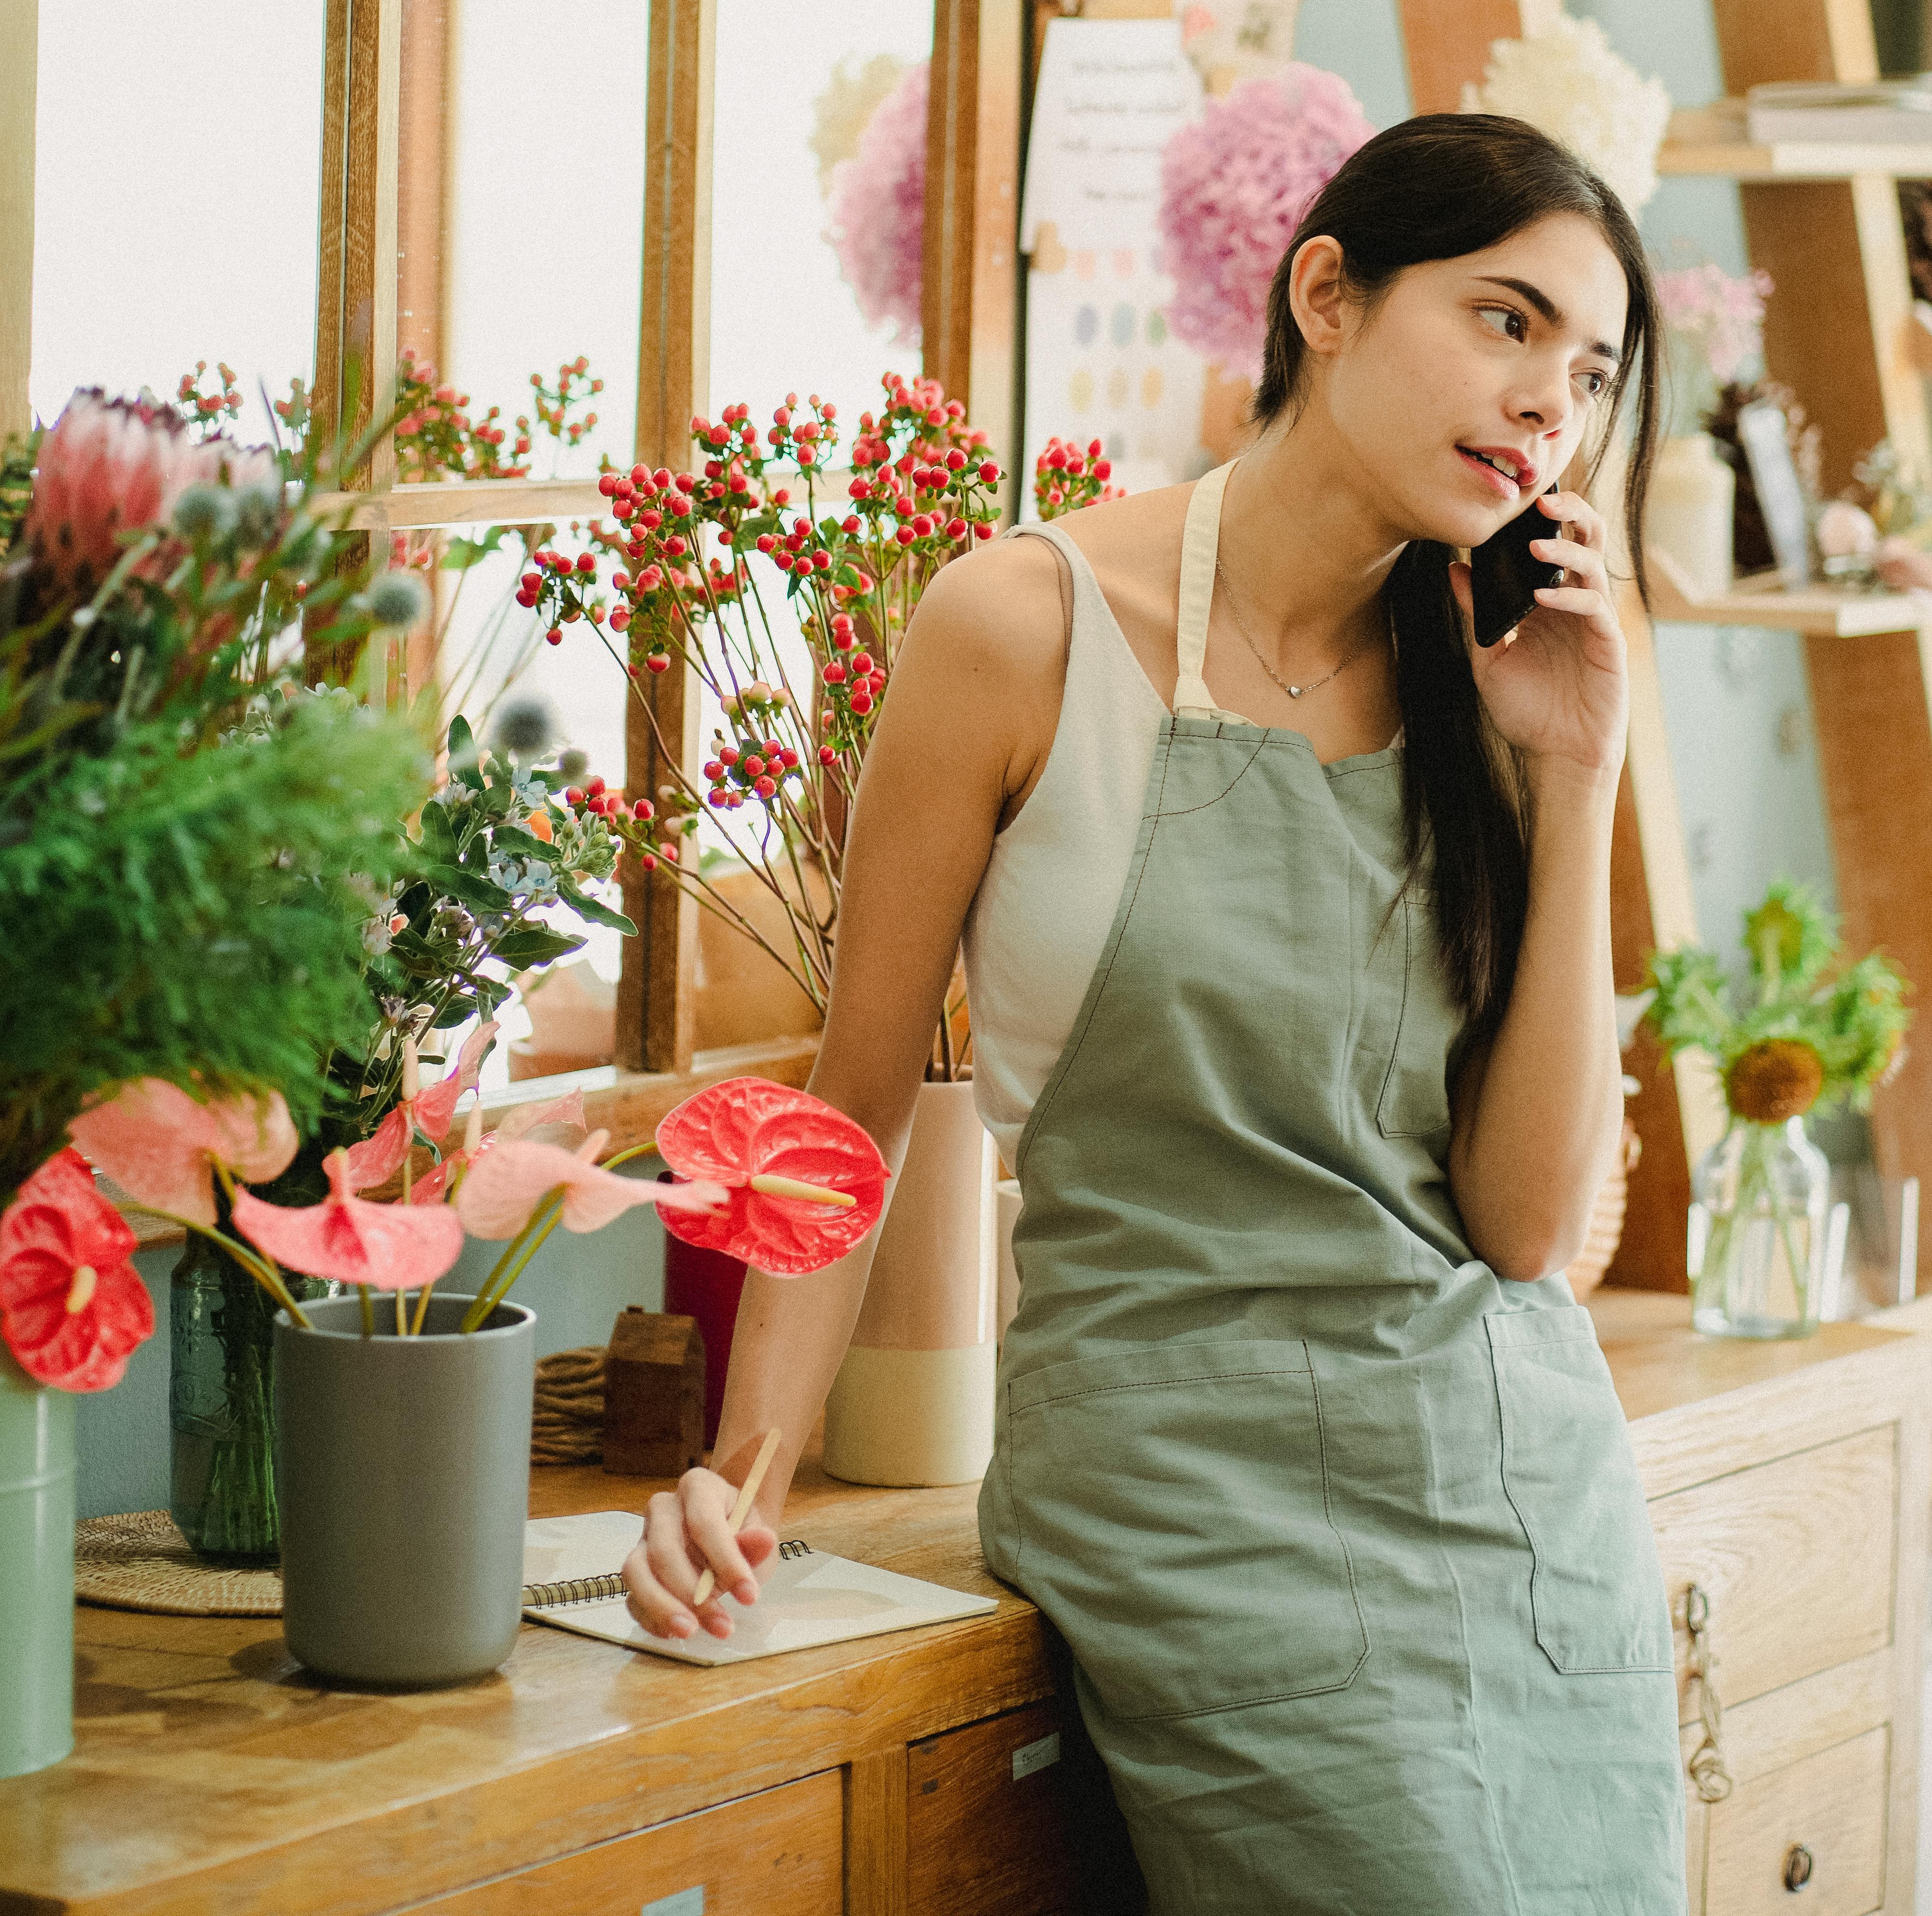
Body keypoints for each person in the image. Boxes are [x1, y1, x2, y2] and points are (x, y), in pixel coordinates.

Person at [623, 113, 1687, 1914]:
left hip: (1517, 1505)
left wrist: (1581, 779)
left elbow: (1516, 1231)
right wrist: (749, 1465)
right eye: (1507, 324)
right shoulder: (1021, 625)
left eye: (1586, 374)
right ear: (1327, 296)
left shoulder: (1509, 687)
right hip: (1185, 1499)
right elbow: (853, 1104)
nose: (1544, 409)